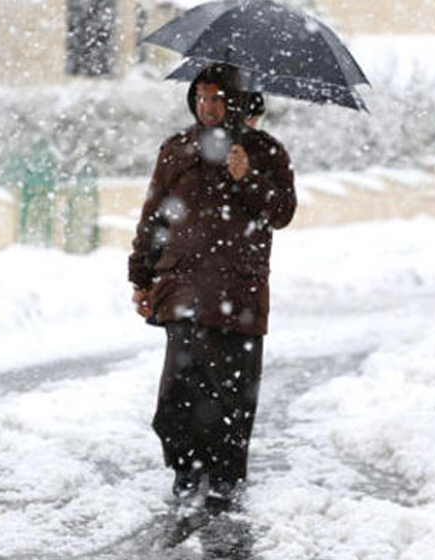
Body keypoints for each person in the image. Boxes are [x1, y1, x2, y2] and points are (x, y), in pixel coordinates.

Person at [128, 63, 296, 510]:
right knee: (180, 386)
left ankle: (225, 471)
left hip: (239, 292)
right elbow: (153, 217)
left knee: (233, 389)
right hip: (182, 285)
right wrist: (141, 276)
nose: (207, 107)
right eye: (200, 98)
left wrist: (249, 178)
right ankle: (186, 466)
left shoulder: (265, 151)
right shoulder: (176, 150)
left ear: (236, 101)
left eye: (217, 98)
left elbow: (281, 213)